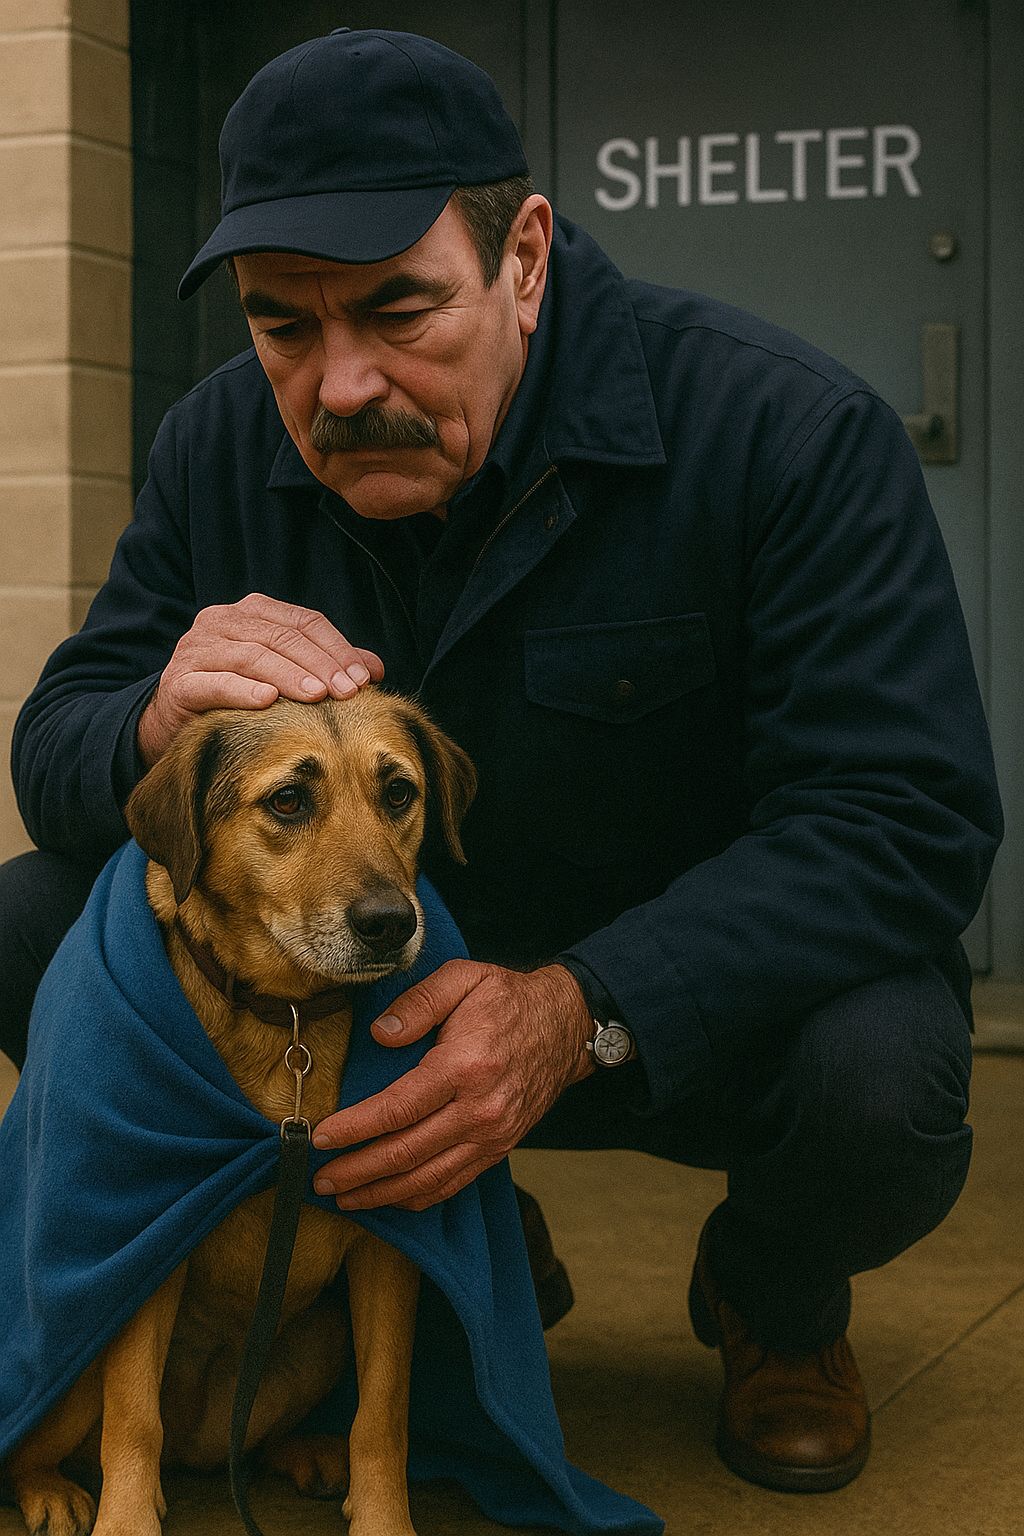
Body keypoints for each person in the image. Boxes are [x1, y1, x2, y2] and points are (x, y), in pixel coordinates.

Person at [1, 28, 1002, 1496]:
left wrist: (583, 1008)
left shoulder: (784, 429)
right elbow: (57, 744)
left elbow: (905, 818)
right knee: (32, 924)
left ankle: (773, 1293)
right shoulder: (217, 444)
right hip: (361, 1009)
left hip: (660, 1016)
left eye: (399, 310)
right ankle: (451, 1230)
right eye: (284, 327)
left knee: (885, 1075)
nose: (342, 385)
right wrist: (151, 714)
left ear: (523, 258)